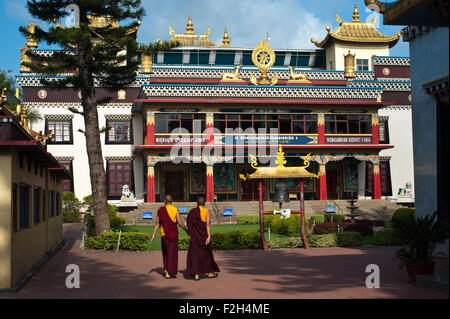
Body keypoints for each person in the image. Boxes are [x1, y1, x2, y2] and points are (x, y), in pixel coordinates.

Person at [151, 195, 188, 279]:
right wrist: (186, 230)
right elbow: (180, 223)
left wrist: (153, 234)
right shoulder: (175, 210)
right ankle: (169, 272)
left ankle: (166, 270)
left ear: (164, 201)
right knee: (172, 254)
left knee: (166, 253)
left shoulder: (161, 210)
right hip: (173, 234)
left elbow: (157, 223)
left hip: (163, 234)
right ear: (172, 201)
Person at [186, 197, 220, 281]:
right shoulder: (206, 211)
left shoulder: (192, 212)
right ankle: (209, 272)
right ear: (204, 203)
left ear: (196, 203)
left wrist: (191, 233)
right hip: (204, 236)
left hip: (194, 237)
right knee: (207, 255)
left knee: (195, 255)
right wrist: (209, 236)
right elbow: (207, 224)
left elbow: (189, 224)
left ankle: (196, 275)